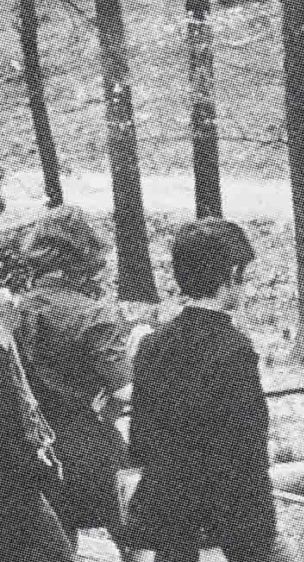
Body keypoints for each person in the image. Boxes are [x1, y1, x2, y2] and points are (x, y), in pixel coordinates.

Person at [122, 219, 295, 562]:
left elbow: (141, 433)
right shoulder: (234, 348)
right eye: (243, 275)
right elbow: (249, 438)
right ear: (232, 275)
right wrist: (259, 513)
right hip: (230, 496)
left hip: (171, 494)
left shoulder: (152, 344)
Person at [13, 205, 134, 556]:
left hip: (31, 451)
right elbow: (126, 390)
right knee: (136, 539)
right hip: (91, 449)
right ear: (87, 258)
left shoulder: (13, 311)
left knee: (57, 544)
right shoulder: (94, 314)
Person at [2, 273, 71, 562]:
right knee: (56, 551)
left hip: (15, 475)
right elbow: (11, 411)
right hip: (12, 477)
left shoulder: (7, 344)